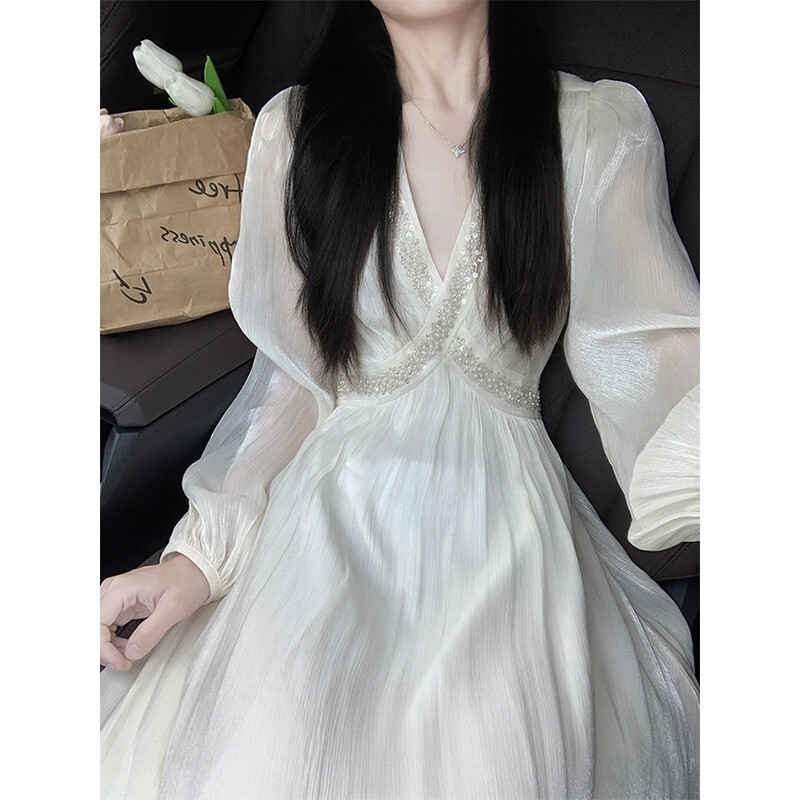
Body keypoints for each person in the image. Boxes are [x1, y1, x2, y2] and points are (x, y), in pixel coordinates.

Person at [100, 1, 700, 797]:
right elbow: (292, 382)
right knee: (275, 743)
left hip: (507, 528)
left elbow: (651, 351)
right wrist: (197, 558)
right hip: (323, 517)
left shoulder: (595, 129)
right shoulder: (295, 131)